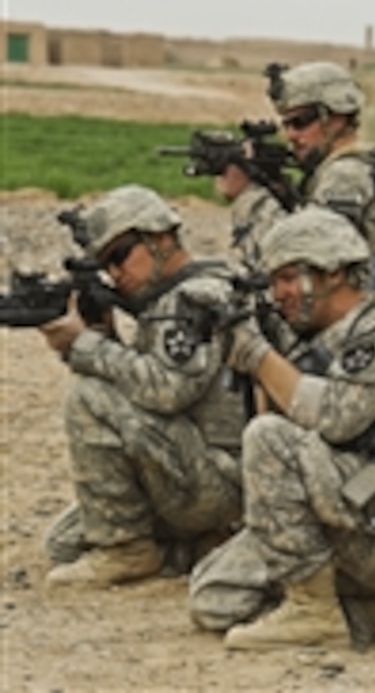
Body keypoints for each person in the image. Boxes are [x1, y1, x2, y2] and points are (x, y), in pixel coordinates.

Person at [189, 206, 375, 650]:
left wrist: (258, 356)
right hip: (350, 511)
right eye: (274, 281)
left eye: (289, 277)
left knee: (268, 441)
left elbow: (336, 418)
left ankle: (314, 612)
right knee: (215, 598)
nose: (279, 293)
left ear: (333, 273)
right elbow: (277, 423)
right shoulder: (322, 339)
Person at [41, 184, 247, 588]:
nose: (115, 273)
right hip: (186, 465)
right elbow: (143, 389)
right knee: (64, 544)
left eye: (120, 255)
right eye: (106, 264)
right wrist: (106, 337)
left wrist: (85, 346)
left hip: (221, 475)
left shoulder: (197, 296)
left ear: (161, 239)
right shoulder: (167, 298)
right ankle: (202, 546)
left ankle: (128, 552)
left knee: (87, 398)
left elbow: (168, 391)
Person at [264, 61, 375, 272]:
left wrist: (249, 197)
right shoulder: (338, 169)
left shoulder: (345, 176)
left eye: (300, 122)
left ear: (336, 117)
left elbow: (308, 264)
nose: (290, 135)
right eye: (286, 124)